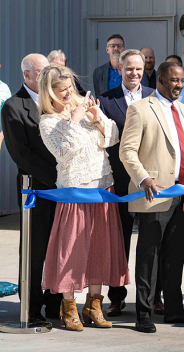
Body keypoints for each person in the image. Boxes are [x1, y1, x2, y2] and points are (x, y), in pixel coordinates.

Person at [37, 64, 131, 331]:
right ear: (49, 93)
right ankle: (69, 309)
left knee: (100, 249)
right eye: (61, 90)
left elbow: (113, 137)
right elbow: (64, 153)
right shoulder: (48, 121)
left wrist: (97, 118)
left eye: (70, 88)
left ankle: (94, 306)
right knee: (72, 252)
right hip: (75, 193)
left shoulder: (85, 105)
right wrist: (75, 121)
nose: (68, 94)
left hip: (102, 188)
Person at [120, 61, 184, 333]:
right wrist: (143, 178)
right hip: (153, 193)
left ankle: (174, 310)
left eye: (182, 81)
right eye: (174, 80)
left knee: (175, 256)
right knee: (149, 256)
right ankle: (143, 313)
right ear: (160, 81)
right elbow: (127, 151)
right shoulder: (140, 108)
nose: (179, 85)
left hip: (183, 194)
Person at [1, 53, 62, 324]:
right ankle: (31, 308)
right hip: (36, 189)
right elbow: (21, 154)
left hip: (63, 190)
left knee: (59, 248)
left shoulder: (57, 102)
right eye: (41, 73)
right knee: (35, 250)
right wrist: (56, 177)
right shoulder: (14, 106)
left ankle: (55, 305)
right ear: (27, 75)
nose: (48, 77)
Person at [98, 49, 155, 317]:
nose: (134, 73)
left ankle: (153, 298)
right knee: (118, 243)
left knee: (151, 243)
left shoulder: (155, 97)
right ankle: (116, 298)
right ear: (119, 69)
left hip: (150, 185)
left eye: (138, 69)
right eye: (129, 68)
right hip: (120, 184)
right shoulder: (106, 101)